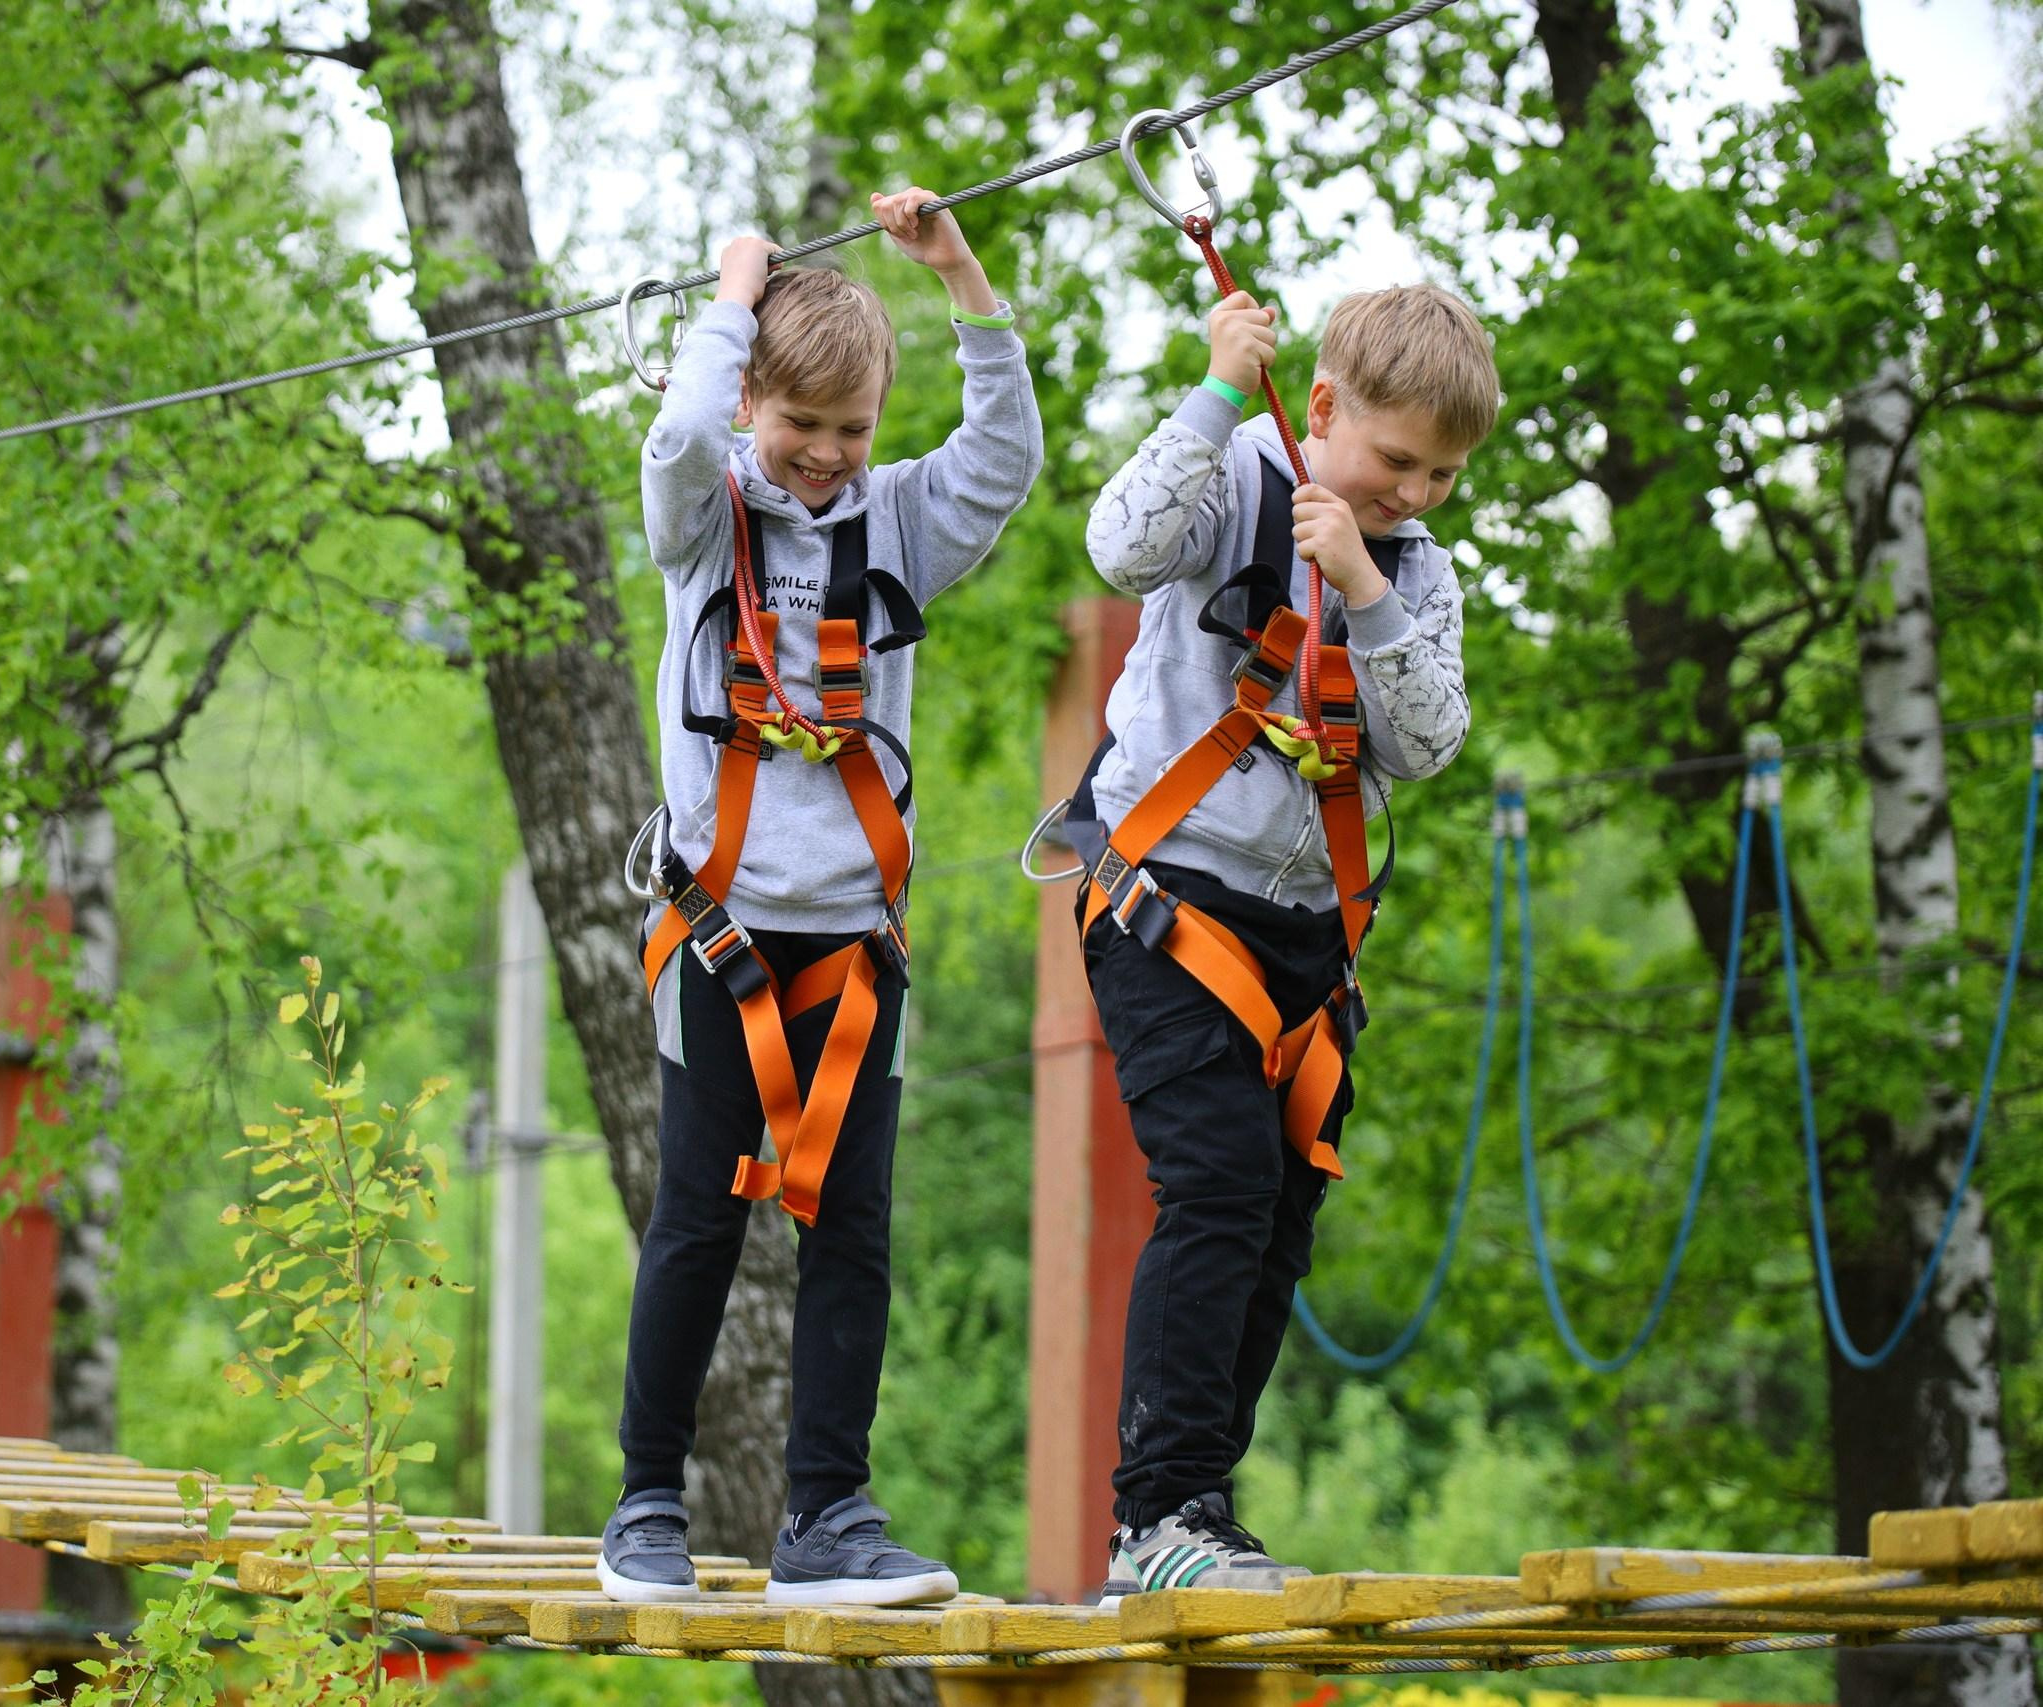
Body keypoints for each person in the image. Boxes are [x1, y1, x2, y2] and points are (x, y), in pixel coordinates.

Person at [598, 191, 1044, 1607]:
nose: (825, 455)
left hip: (855, 941)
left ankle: (829, 1513)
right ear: (753, 402)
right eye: (799, 423)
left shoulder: (900, 520)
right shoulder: (705, 511)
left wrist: (959, 275)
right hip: (720, 927)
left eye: (851, 429)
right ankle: (646, 1501)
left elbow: (1007, 459)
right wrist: (732, 290)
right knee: (698, 1217)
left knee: (850, 1225)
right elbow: (676, 438)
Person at [1077, 282, 1498, 1599]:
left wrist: (1366, 580)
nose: (1415, 490)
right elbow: (1118, 546)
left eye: (1441, 472)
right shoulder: (1233, 481)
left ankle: (1196, 1494)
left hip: (1312, 942)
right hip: (1175, 900)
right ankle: (1153, 1517)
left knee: (1278, 1216)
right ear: (1321, 407)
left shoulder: (1416, 572)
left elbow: (1427, 741)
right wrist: (1213, 390)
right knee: (1217, 1182)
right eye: (1393, 458)